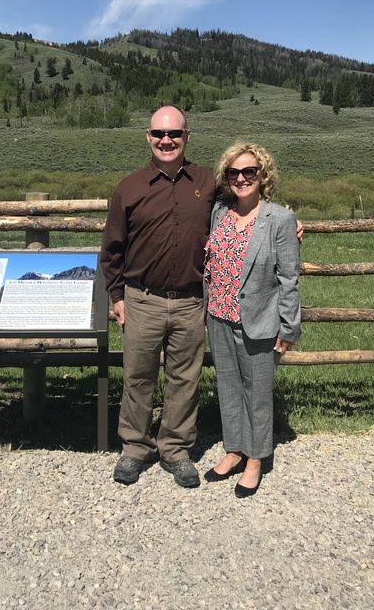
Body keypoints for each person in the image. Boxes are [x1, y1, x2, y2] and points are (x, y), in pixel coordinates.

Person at [100, 105, 216, 488]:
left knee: (186, 379)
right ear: (147, 137)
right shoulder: (129, 188)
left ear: (187, 137)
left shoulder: (209, 182)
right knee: (138, 376)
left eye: (175, 134)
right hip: (141, 299)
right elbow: (113, 249)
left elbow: (249, 203)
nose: (167, 140)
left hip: (190, 300)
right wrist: (117, 296)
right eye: (159, 134)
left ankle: (176, 449)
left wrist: (285, 219)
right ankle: (134, 448)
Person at [203, 142, 301, 498]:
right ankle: (233, 449)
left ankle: (257, 458)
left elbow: (289, 278)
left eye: (249, 172)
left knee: (257, 393)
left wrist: (289, 327)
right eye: (234, 173)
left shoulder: (280, 218)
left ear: (263, 175)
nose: (242, 178)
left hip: (259, 320)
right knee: (229, 388)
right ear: (226, 178)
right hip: (219, 315)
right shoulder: (219, 211)